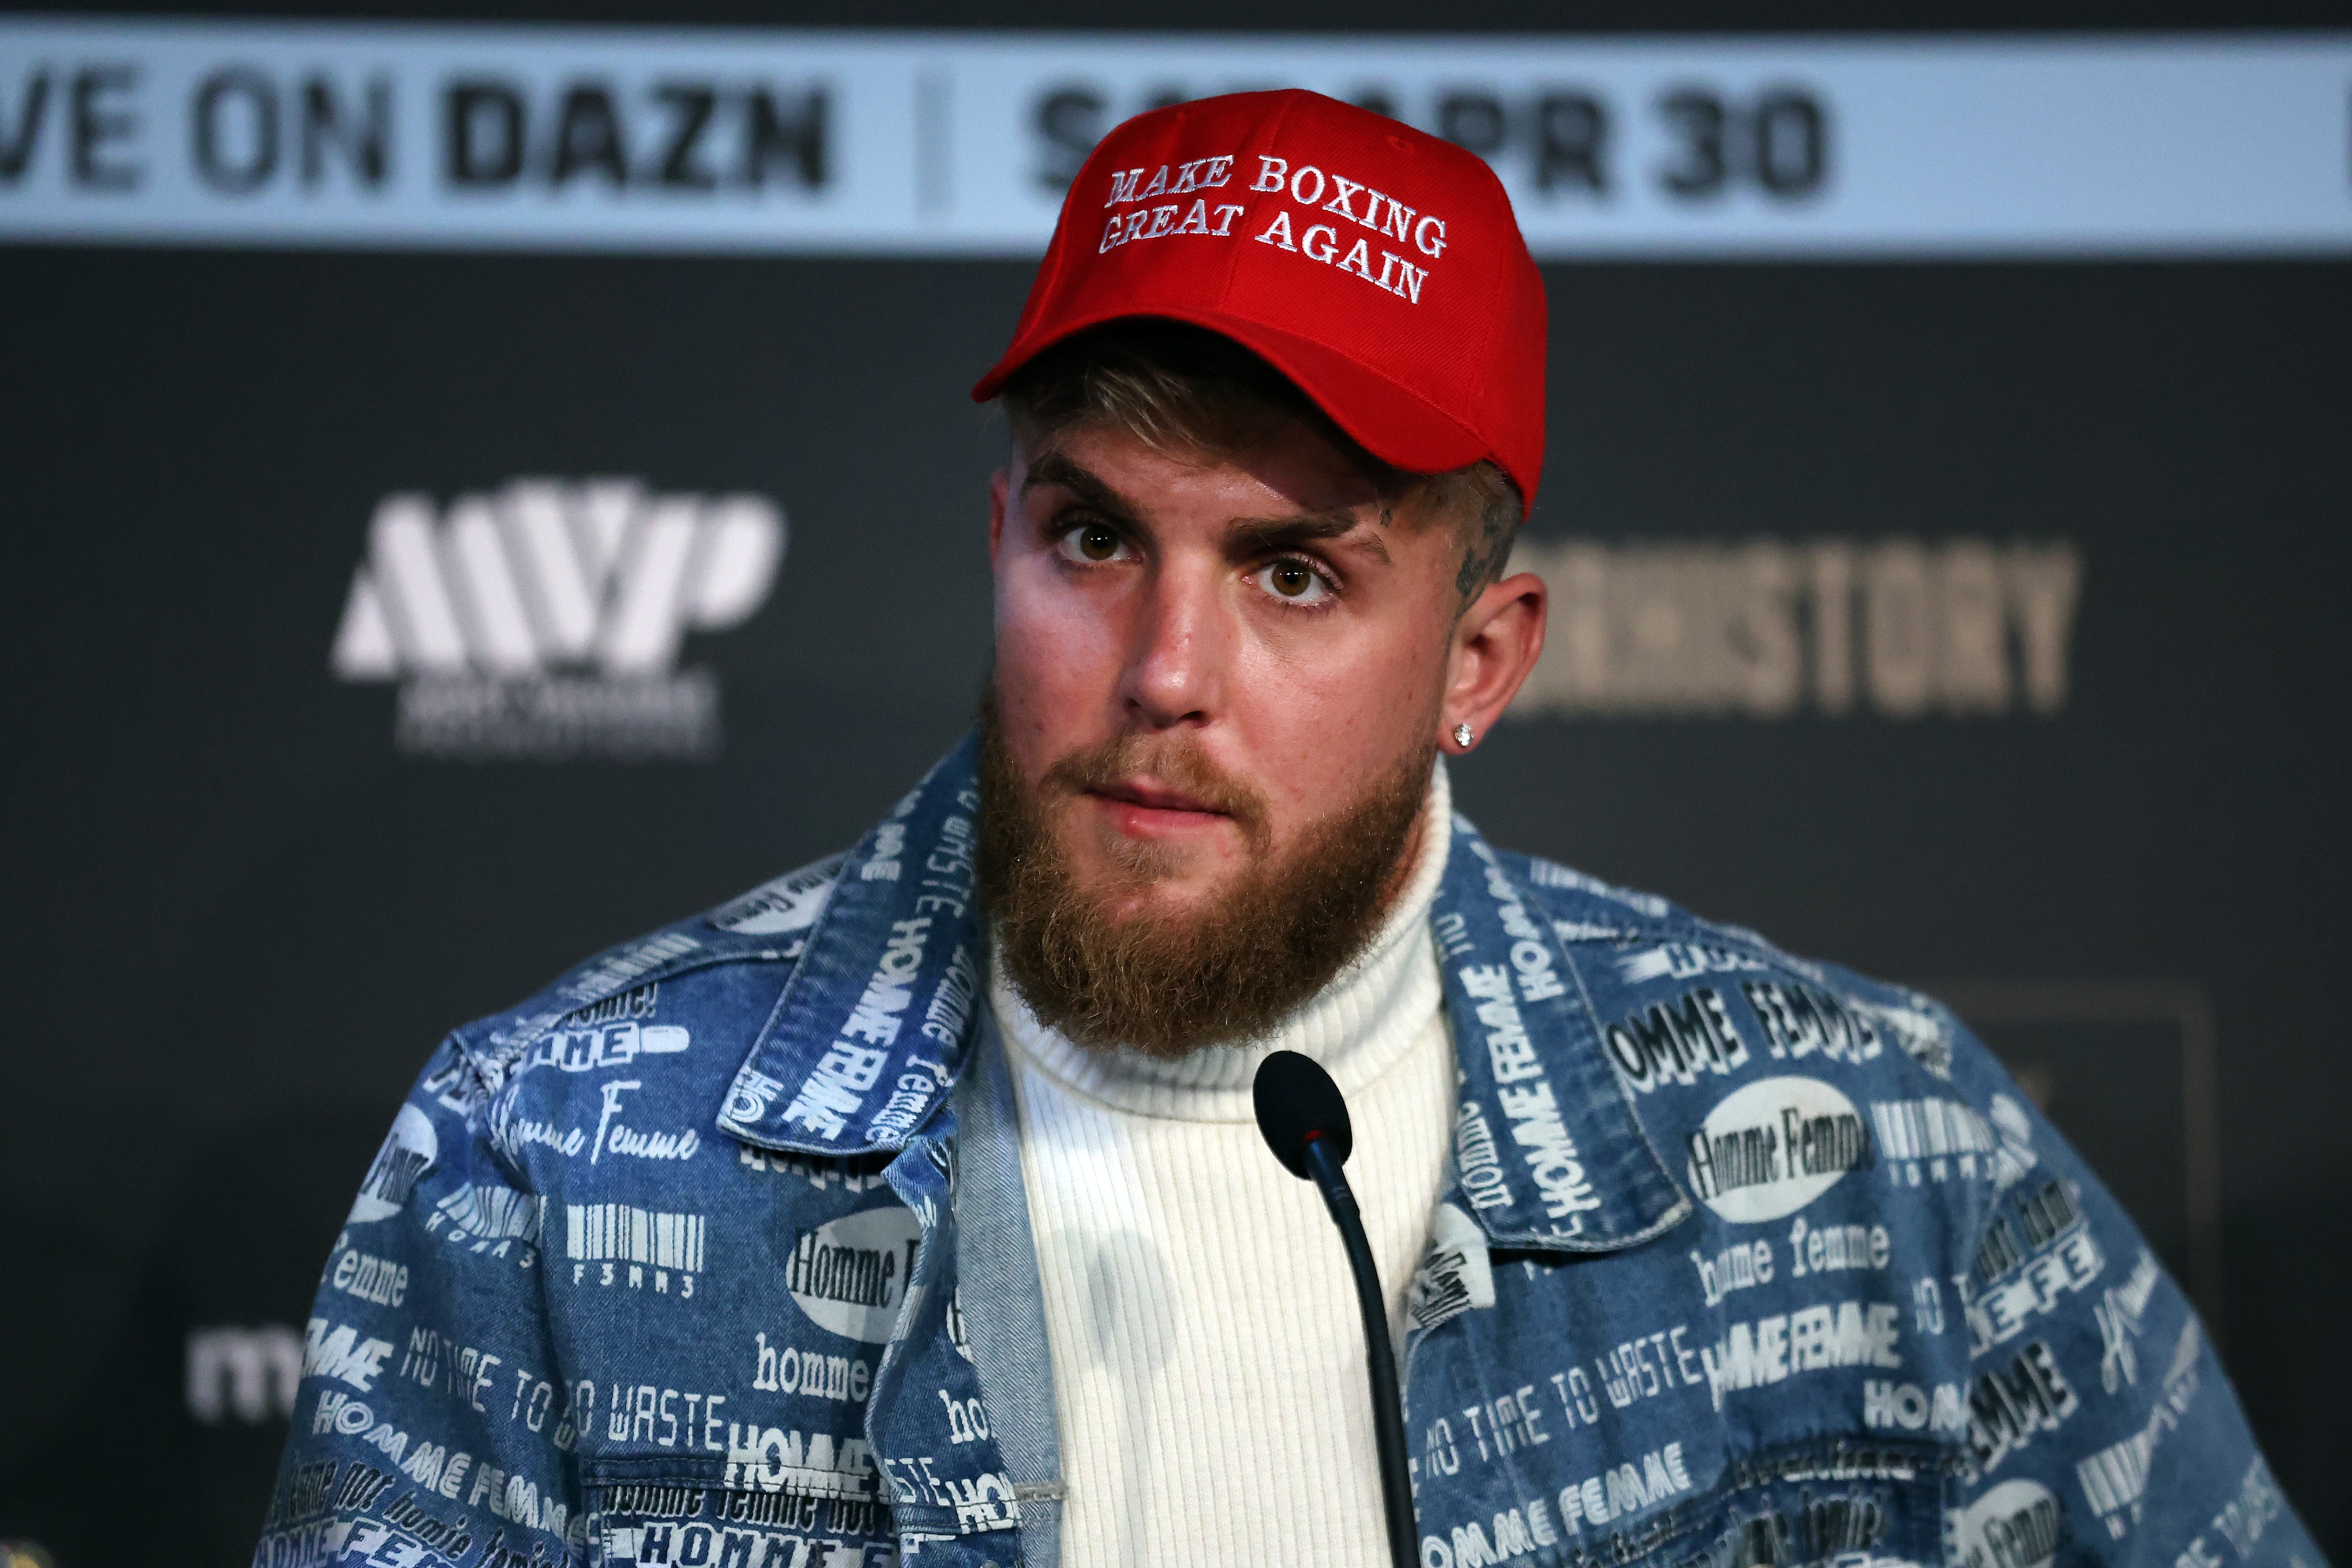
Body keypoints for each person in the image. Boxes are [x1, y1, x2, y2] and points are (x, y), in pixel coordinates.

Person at [256, 90, 2317, 1568]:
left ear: (1478, 662)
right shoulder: (545, 1163)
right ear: (996, 544)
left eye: (1296, 575)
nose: (1163, 668)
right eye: (1090, 538)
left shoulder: (1887, 1169)